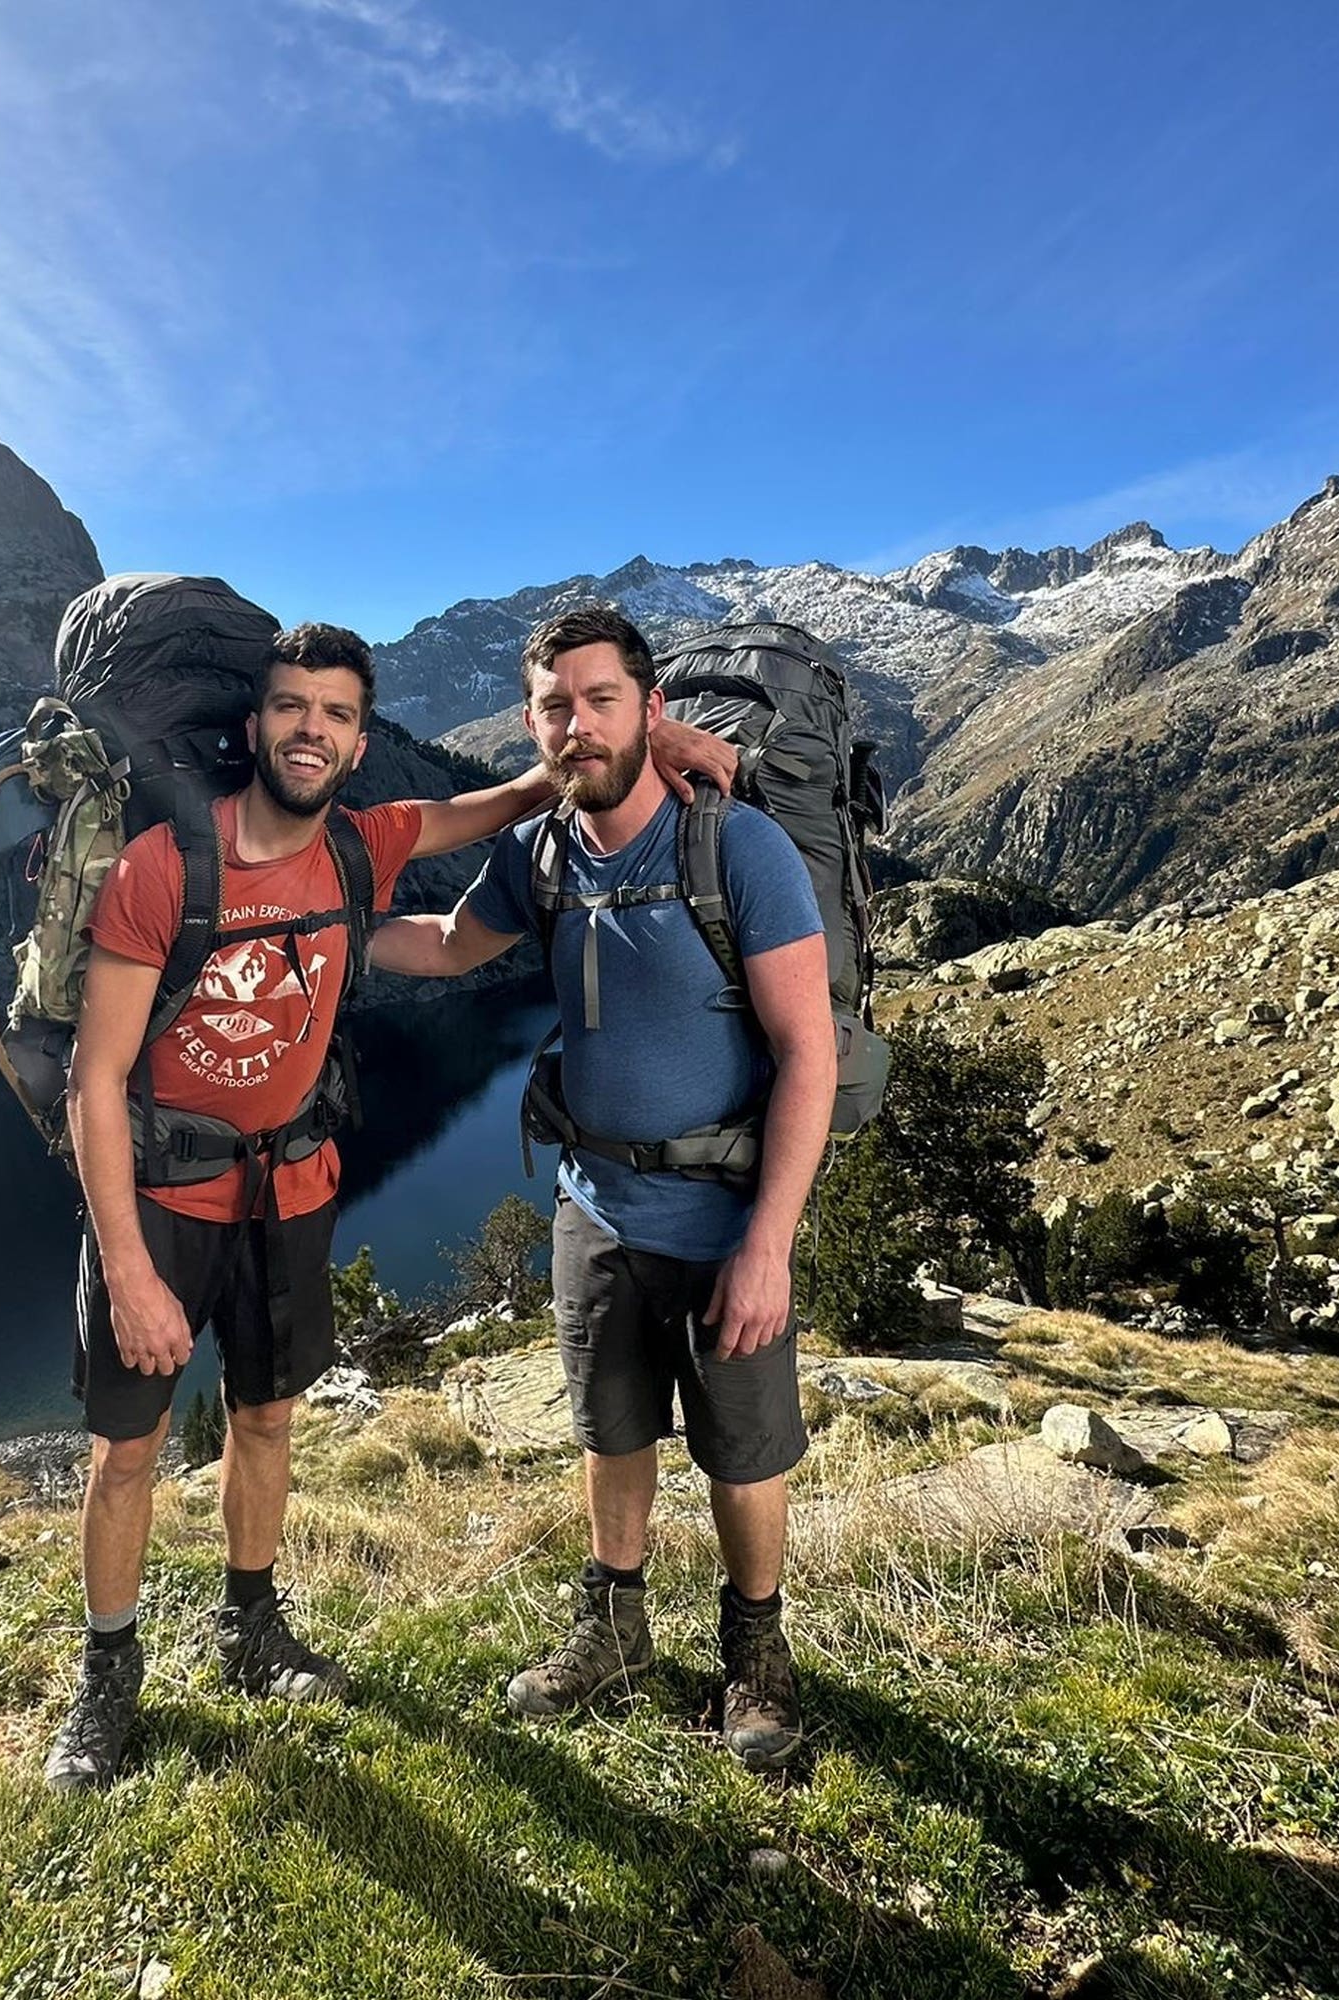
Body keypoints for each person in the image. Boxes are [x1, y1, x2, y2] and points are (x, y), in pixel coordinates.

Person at [46, 619, 734, 1792]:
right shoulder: (167, 868)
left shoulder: (365, 845)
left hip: (295, 1188)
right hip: (165, 1198)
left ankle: (251, 1631)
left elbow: (521, 792)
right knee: (129, 1452)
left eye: (337, 714)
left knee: (265, 1420)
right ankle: (106, 1680)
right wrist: (130, 1266)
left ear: (361, 743)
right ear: (254, 723)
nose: (311, 730)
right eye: (290, 707)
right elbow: (93, 1081)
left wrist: (652, 736)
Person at [369, 603, 837, 1772]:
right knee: (611, 1427)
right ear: (533, 723)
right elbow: (446, 943)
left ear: (649, 708)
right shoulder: (541, 856)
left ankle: (756, 1654)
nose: (577, 726)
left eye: (599, 699)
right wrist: (309, 924)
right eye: (553, 707)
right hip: (597, 1205)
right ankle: (617, 1626)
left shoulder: (737, 849)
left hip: (724, 1215)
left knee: (743, 1451)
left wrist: (769, 1243)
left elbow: (809, 1052)